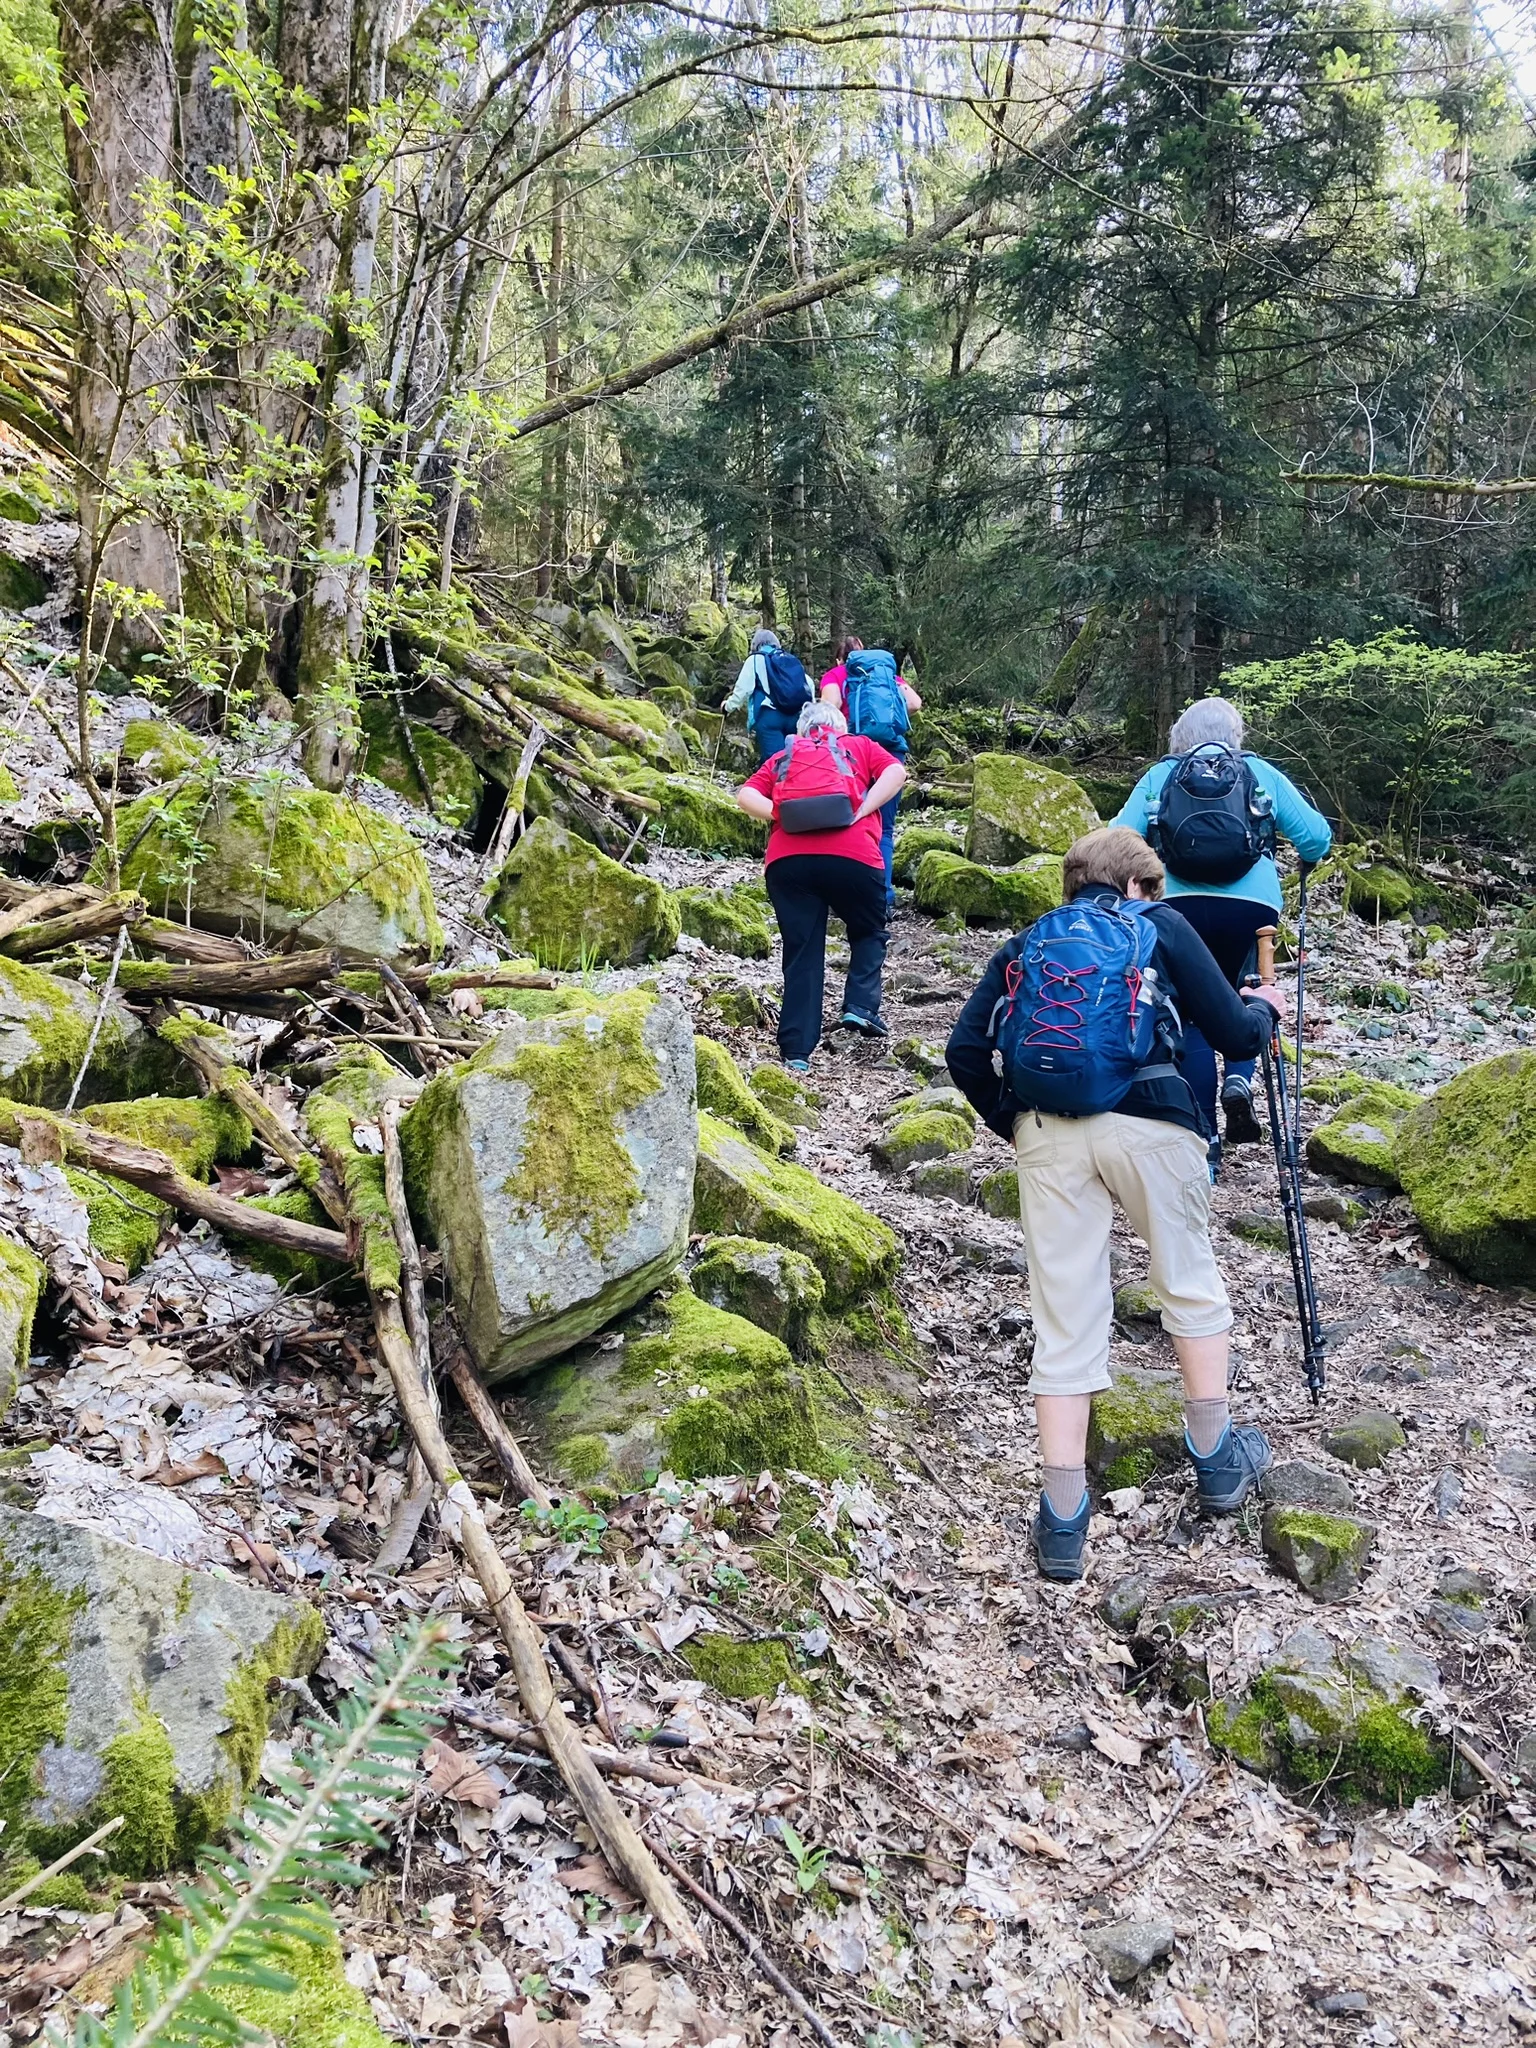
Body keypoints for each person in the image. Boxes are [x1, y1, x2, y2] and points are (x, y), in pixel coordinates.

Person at [945, 826, 1284, 1581]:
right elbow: (1234, 1033)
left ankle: (1064, 1522)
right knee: (1188, 1284)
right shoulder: (1160, 925)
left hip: (1048, 1133)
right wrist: (1266, 1010)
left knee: (1066, 1318)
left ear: (1073, 883)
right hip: (1154, 1126)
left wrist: (1016, 1124)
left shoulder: (1028, 943)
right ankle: (1217, 1463)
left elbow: (964, 1051)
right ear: (1137, 884)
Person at [1112, 697, 1330, 1169]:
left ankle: (1204, 1142)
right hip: (1250, 911)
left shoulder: (1161, 776)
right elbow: (1316, 837)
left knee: (1189, 1018)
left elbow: (1116, 840)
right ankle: (1239, 1079)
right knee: (1248, 990)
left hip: (1173, 910)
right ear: (1236, 736)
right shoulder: (1259, 773)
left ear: (1180, 738)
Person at [736, 701, 906, 1068]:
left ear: (801, 731)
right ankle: (860, 1005)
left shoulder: (785, 754)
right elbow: (896, 773)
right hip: (855, 857)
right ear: (839, 727)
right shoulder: (858, 745)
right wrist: (861, 809)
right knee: (868, 930)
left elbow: (744, 796)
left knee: (802, 952)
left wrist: (783, 814)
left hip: (789, 863)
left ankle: (797, 1052)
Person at [819, 637, 922, 910]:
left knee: (848, 820)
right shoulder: (886, 674)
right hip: (891, 750)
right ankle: (883, 899)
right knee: (885, 829)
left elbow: (828, 709)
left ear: (840, 659)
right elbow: (915, 703)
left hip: (854, 753)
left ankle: (845, 896)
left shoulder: (836, 674)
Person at [721, 626, 813, 763]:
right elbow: (808, 684)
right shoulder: (789, 660)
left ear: (755, 645)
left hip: (769, 717)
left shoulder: (755, 659)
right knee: (796, 761)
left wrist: (728, 706)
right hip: (796, 717)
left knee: (777, 763)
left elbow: (743, 690)